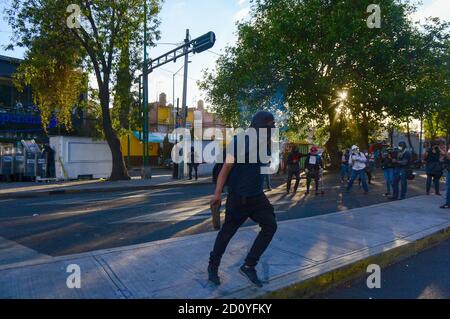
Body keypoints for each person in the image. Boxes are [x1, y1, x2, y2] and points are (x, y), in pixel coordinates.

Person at [208, 111, 277, 287]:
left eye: (273, 124)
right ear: (258, 125)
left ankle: (249, 265)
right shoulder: (239, 141)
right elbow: (225, 169)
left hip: (257, 197)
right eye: (268, 124)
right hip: (238, 198)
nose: (272, 127)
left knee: (270, 225)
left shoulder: (267, 144)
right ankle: (212, 267)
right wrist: (217, 193)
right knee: (226, 235)